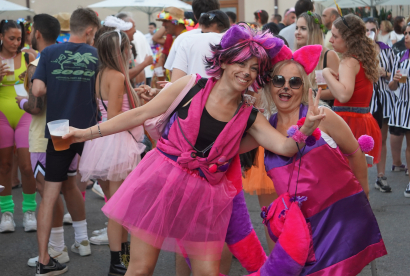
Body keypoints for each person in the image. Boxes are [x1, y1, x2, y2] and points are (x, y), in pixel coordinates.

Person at [64, 25, 325, 275]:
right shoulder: (191, 85)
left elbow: (285, 146)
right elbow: (140, 113)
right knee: (141, 269)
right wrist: (82, 134)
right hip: (159, 183)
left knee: (207, 272)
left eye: (254, 68)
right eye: (241, 63)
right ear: (223, 61)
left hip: (205, 198)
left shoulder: (250, 117)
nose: (246, 72)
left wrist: (306, 127)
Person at [262, 44, 387, 275]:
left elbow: (354, 151)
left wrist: (364, 193)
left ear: (304, 87)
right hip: (298, 227)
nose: (286, 87)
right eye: (279, 80)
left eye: (295, 82)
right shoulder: (264, 128)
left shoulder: (324, 115)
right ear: (270, 84)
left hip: (337, 220)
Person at [31, 8, 100, 275]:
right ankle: (121, 256)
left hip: (59, 130)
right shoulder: (96, 55)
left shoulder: (48, 53)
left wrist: (56, 86)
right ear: (90, 30)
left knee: (49, 196)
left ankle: (43, 260)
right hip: (91, 129)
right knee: (110, 187)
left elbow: (37, 90)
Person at [79, 22, 146, 275]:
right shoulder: (117, 76)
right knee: (120, 209)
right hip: (118, 142)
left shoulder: (102, 74)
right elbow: (117, 117)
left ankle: (122, 259)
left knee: (118, 206)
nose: (131, 53)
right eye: (128, 48)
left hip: (106, 142)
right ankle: (118, 262)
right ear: (120, 51)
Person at [14, 13, 77, 267]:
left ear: (36, 34)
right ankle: (67, 244)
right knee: (60, 191)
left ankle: (56, 249)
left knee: (47, 194)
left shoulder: (38, 63)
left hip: (42, 137)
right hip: (66, 132)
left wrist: (21, 100)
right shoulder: (68, 59)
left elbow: (36, 107)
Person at [323, 14, 381, 165]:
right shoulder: (360, 58)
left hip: (348, 123)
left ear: (349, 38)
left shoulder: (348, 61)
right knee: (356, 176)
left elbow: (343, 95)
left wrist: (326, 74)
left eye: (335, 36)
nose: (330, 40)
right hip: (361, 121)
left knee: (345, 177)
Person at [0, 19, 36, 233]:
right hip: (0, 115)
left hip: (24, 113)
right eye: (11, 38)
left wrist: (29, 77)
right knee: (4, 166)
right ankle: (7, 213)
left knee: (27, 166)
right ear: (1, 36)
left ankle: (29, 211)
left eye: (19, 38)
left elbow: (39, 85)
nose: (15, 42)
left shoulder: (28, 56)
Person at [366, 18, 396, 193]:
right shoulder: (360, 52)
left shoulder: (387, 51)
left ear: (378, 30)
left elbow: (395, 78)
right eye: (366, 30)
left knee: (381, 138)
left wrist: (385, 73)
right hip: (364, 100)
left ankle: (381, 176)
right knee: (360, 139)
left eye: (372, 29)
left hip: (383, 97)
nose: (370, 33)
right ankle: (357, 178)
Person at [171, 10, 230, 82]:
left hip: (192, 91)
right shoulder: (234, 43)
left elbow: (176, 80)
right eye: (203, 33)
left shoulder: (188, 40)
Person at [164, 0, 220, 74]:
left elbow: (173, 71)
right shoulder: (225, 38)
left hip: (189, 84)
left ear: (195, 16)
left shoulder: (182, 38)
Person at [388, 23, 410, 197]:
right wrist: (394, 80)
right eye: (406, 33)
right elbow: (392, 86)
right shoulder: (401, 56)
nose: (406, 37)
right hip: (404, 105)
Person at [295, 12, 339, 94]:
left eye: (303, 28)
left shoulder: (328, 55)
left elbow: (337, 91)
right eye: (296, 28)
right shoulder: (295, 55)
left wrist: (309, 95)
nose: (297, 32)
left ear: (314, 31)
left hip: (322, 105)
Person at [116, 13, 154, 85]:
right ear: (125, 28)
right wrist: (145, 63)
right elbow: (123, 75)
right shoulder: (117, 46)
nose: (135, 31)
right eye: (133, 26)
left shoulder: (129, 41)